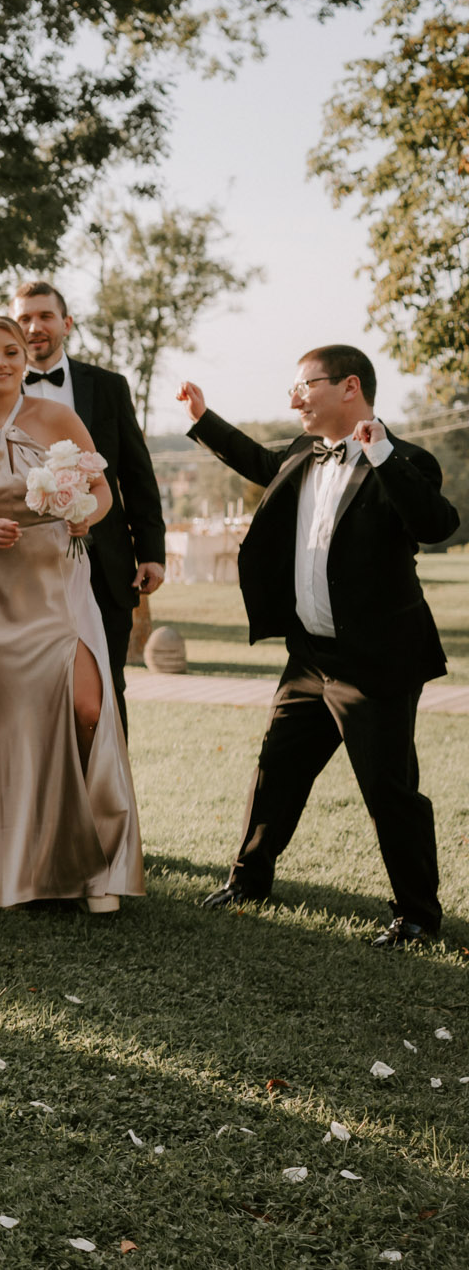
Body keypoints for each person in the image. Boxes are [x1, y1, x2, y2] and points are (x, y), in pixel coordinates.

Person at [180, 348, 459, 946]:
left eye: (304, 386)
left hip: (376, 660)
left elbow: (436, 524)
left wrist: (381, 452)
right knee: (276, 770)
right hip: (309, 658)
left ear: (349, 386)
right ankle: (248, 881)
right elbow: (257, 460)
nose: (294, 398)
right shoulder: (303, 454)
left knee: (389, 789)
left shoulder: (407, 461)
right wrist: (204, 419)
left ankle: (416, 916)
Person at [0, 316, 144, 913]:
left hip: (60, 583)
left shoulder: (57, 418)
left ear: (26, 358)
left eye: (11, 352)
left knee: (85, 708)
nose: (0, 362)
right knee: (10, 733)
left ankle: (96, 867)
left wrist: (88, 516)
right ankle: (24, 872)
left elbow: (102, 490)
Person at [12, 282, 168, 729]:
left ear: (67, 323)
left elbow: (136, 475)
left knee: (105, 689)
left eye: (44, 316)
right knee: (35, 693)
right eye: (24, 318)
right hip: (23, 567)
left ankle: (109, 796)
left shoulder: (108, 387)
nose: (34, 327)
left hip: (105, 563)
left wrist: (151, 553)